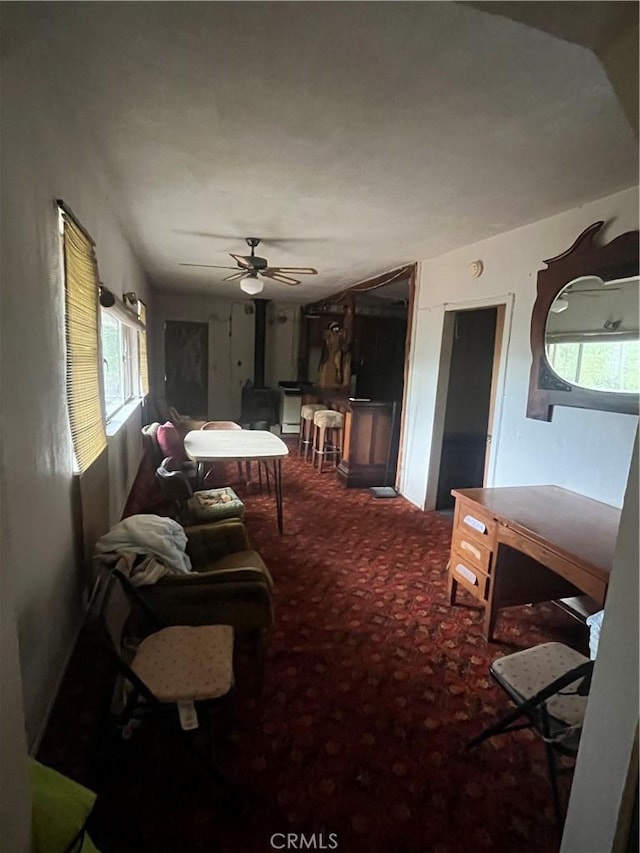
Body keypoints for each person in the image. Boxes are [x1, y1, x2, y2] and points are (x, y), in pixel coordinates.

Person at [318, 321, 351, 388]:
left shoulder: (344, 360)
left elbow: (345, 386)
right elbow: (321, 384)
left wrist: (338, 368)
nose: (329, 342)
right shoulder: (324, 362)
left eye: (331, 336)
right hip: (325, 396)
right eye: (327, 338)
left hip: (337, 397)